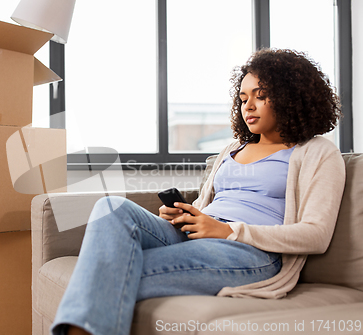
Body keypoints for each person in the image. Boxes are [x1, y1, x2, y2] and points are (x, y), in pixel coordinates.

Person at [51, 49, 346, 335]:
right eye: (243, 98)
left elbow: (316, 235)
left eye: (261, 95)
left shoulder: (317, 152)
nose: (249, 106)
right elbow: (211, 208)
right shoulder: (231, 149)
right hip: (198, 235)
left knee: (109, 271)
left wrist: (227, 231)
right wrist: (184, 215)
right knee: (111, 208)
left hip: (251, 254)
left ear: (291, 97)